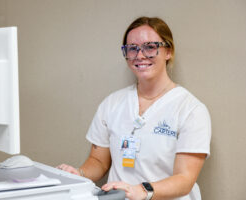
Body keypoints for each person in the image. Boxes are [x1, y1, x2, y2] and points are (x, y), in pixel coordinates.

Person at [57, 16, 211, 200]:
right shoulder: (112, 104)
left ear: (168, 51)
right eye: (132, 48)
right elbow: (98, 161)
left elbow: (185, 179)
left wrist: (142, 190)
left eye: (150, 47)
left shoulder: (191, 110)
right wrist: (79, 174)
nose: (139, 55)